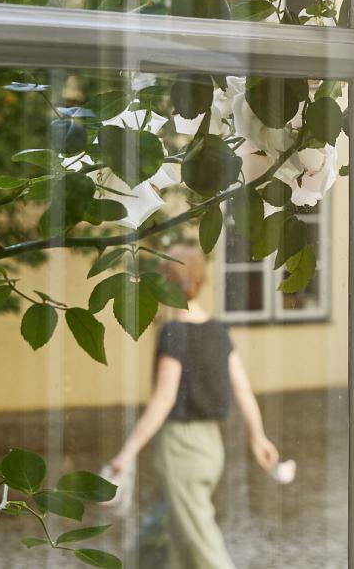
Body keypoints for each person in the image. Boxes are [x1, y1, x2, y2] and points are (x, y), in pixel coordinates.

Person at [109, 244, 280, 569]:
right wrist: (258, 437)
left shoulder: (175, 332)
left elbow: (164, 398)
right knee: (174, 539)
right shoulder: (217, 330)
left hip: (182, 449)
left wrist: (126, 453)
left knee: (202, 546)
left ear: (164, 284)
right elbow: (242, 388)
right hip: (209, 448)